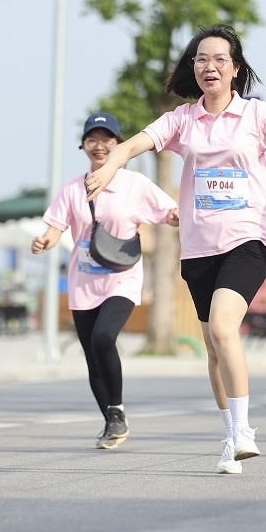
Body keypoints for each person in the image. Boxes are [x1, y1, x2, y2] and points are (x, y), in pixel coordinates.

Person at [84, 23, 266, 474]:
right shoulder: (182, 120)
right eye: (201, 59)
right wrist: (111, 166)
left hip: (248, 238)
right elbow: (133, 144)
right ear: (195, 68)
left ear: (236, 69)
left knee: (225, 331)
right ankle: (230, 434)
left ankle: (244, 431)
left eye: (219, 60)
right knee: (212, 347)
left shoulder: (257, 117)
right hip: (198, 246)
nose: (209, 67)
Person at [31, 112, 179, 450]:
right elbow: (55, 229)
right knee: (92, 356)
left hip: (121, 278)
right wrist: (44, 242)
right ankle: (113, 421)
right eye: (92, 140)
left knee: (103, 337)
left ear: (118, 145)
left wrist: (176, 215)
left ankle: (116, 409)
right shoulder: (72, 188)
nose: (100, 146)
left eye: (107, 139)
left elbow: (168, 214)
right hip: (83, 282)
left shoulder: (135, 184)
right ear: (82, 145)